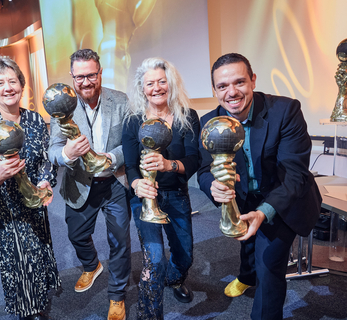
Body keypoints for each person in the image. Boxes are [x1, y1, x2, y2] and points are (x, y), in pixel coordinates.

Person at [197, 53, 322, 320]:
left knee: (269, 266)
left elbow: (295, 174)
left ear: (253, 80)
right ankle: (245, 276)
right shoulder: (210, 121)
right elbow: (204, 170)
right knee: (248, 242)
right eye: (222, 86)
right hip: (244, 198)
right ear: (215, 90)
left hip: (283, 199)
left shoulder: (285, 111)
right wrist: (213, 187)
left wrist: (264, 211)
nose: (232, 92)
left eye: (240, 82)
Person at [48, 48, 131, 320]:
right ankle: (91, 265)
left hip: (115, 181)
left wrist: (113, 156)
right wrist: (66, 155)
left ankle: (117, 295)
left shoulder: (120, 101)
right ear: (72, 76)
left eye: (91, 75)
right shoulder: (62, 108)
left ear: (100, 73)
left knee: (119, 240)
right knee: (75, 235)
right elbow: (53, 149)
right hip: (80, 182)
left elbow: (131, 143)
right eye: (80, 76)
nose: (86, 82)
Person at [0, 57, 60, 320]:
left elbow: (47, 159)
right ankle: (27, 310)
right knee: (19, 258)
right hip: (8, 208)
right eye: (0, 83)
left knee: (37, 251)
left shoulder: (35, 120)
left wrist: (46, 181)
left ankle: (38, 301)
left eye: (13, 81)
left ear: (22, 86)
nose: (8, 87)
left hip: (35, 201)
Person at [122, 57, 200, 319]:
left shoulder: (186, 117)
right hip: (145, 198)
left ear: (171, 84)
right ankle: (150, 315)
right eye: (149, 83)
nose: (156, 88)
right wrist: (136, 184)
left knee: (185, 255)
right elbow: (130, 165)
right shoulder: (133, 120)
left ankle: (175, 279)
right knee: (154, 260)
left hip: (177, 194)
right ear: (142, 88)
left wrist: (168, 165)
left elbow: (194, 159)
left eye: (161, 81)